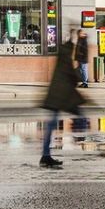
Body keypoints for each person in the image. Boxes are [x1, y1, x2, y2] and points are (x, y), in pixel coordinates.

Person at [38, 28, 85, 168]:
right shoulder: (66, 55)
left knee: (51, 125)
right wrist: (78, 77)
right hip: (58, 97)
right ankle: (45, 156)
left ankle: (46, 155)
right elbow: (72, 74)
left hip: (58, 97)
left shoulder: (64, 53)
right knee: (54, 124)